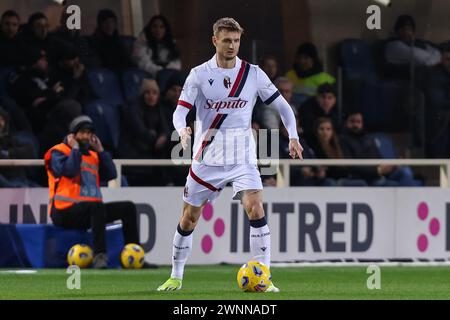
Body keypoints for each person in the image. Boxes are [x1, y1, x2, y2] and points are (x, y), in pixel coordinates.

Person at [157, 17, 303, 292]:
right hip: (207, 157)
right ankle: (176, 275)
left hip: (242, 157)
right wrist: (182, 129)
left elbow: (283, 106)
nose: (232, 46)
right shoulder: (198, 74)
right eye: (226, 40)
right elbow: (179, 111)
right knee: (189, 217)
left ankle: (264, 277)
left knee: (256, 207)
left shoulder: (253, 74)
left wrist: (293, 136)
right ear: (215, 40)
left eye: (236, 41)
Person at [44, 115, 140, 269]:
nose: (86, 137)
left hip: (91, 212)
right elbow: (70, 170)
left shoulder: (94, 155)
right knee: (96, 207)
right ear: (73, 135)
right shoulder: (57, 152)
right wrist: (75, 149)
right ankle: (100, 256)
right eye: (82, 133)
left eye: (89, 133)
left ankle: (135, 255)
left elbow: (111, 174)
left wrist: (101, 151)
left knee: (128, 207)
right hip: (63, 211)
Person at [340, 111, 417, 187]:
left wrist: (391, 165)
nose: (355, 124)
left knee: (404, 171)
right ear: (346, 123)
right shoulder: (343, 140)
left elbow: (378, 157)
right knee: (390, 185)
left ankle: (413, 198)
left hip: (380, 173)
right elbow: (351, 166)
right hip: (364, 177)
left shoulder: (368, 139)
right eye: (352, 121)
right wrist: (377, 171)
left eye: (358, 122)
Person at [382, 14, 441, 79]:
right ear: (396, 30)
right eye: (402, 29)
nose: (406, 32)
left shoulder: (414, 43)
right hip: (401, 81)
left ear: (413, 32)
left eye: (409, 29)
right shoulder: (395, 46)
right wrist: (437, 57)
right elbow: (426, 60)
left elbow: (434, 51)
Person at [419, 41, 450, 158]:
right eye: (448, 59)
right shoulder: (433, 75)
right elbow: (436, 100)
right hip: (439, 124)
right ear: (441, 59)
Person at [89, 9, 132, 75]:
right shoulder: (94, 42)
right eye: (106, 22)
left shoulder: (118, 41)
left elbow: (127, 61)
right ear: (100, 24)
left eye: (112, 22)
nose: (110, 25)